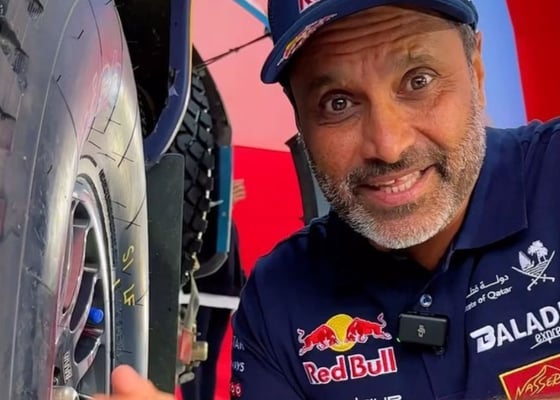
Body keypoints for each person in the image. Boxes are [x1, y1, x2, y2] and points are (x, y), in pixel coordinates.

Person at [100, 0, 560, 399]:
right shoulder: (280, 298)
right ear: (299, 120)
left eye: (418, 80)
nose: (388, 145)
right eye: (337, 103)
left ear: (476, 70)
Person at [181, 179, 248, 400]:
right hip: (199, 291)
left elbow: (232, 254)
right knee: (193, 359)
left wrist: (240, 287)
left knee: (210, 358)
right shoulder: (198, 209)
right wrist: (222, 207)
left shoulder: (226, 222)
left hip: (224, 293)